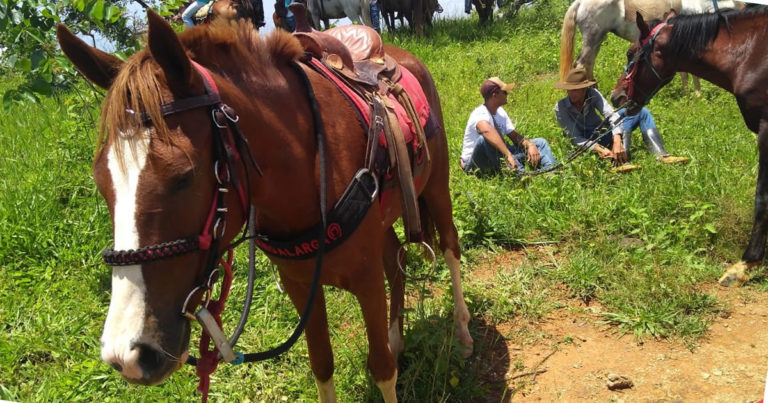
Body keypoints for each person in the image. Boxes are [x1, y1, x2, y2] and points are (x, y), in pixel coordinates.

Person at [554, 67, 688, 171]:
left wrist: (616, 139)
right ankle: (621, 162)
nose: (571, 93)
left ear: (584, 89)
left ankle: (661, 155)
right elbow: (575, 138)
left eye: (575, 90)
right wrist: (597, 149)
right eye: (569, 89)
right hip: (587, 141)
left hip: (603, 132)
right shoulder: (561, 108)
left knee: (641, 112)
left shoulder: (593, 94)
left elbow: (611, 115)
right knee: (614, 129)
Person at [460, 77, 557, 175]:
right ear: (495, 95)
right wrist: (508, 155)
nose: (507, 94)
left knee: (540, 143)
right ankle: (523, 176)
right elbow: (486, 131)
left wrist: (530, 145)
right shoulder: (480, 113)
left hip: (499, 155)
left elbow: (515, 137)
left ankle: (552, 173)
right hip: (476, 163)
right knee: (484, 140)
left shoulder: (500, 112)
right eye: (505, 92)